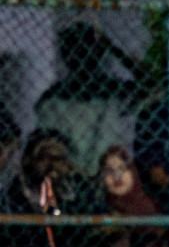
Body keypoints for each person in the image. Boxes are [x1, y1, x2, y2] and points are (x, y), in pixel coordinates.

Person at [34, 24, 142, 173]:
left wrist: (110, 46)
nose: (83, 56)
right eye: (77, 51)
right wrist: (110, 47)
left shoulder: (113, 89)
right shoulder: (53, 100)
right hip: (75, 173)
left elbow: (149, 85)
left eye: (88, 49)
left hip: (110, 171)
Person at [98, 145, 167, 247]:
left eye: (122, 169)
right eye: (109, 171)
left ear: (133, 172)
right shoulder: (101, 210)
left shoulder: (157, 203)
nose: (117, 176)